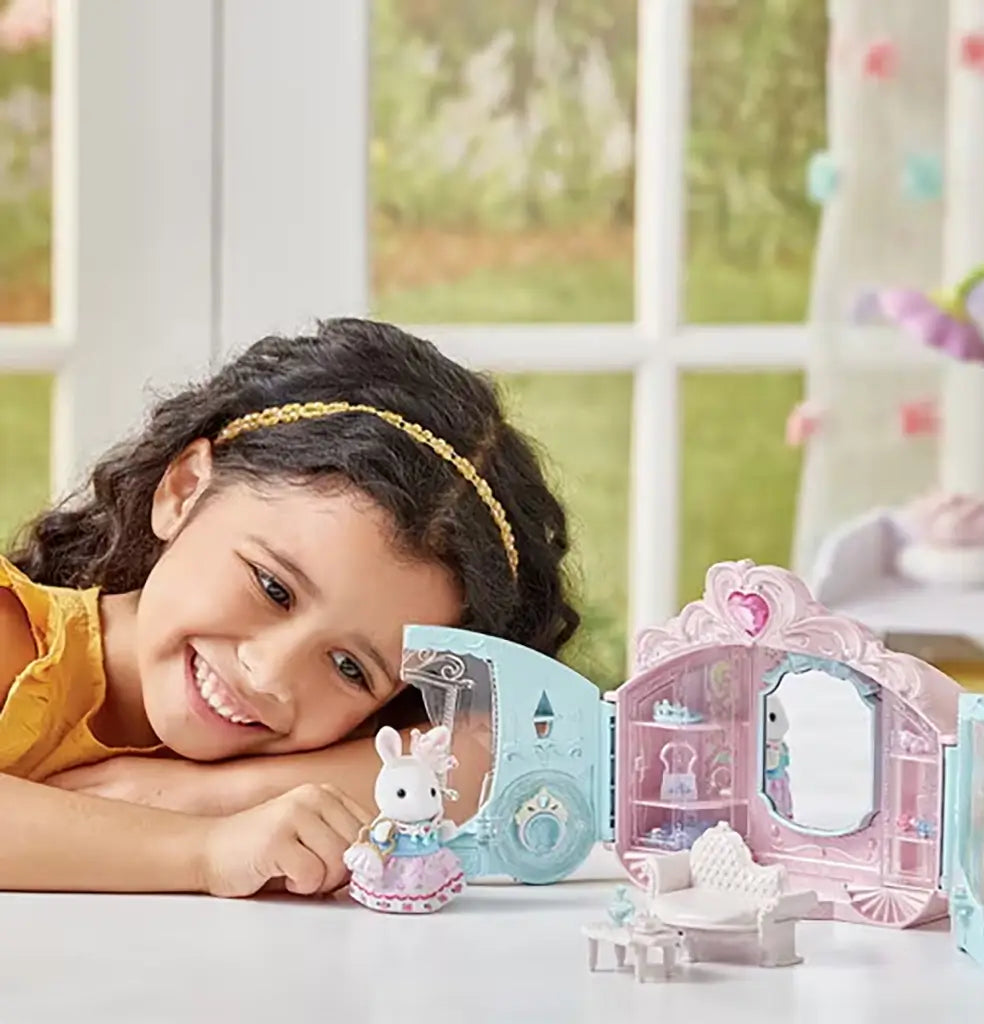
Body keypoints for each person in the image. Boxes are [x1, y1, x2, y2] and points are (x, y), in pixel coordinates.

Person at [0, 318, 579, 897]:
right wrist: (205, 850)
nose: (271, 674)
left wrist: (206, 797)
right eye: (273, 588)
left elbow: (518, 753)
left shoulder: (319, 741)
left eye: (350, 667)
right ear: (182, 491)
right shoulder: (16, 633)